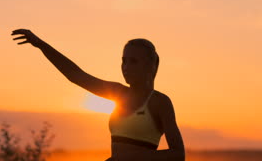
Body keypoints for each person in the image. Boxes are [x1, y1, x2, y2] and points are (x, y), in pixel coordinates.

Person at [11, 29, 185, 161]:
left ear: (150, 66)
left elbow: (178, 154)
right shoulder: (118, 93)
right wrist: (40, 44)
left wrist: (127, 158)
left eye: (133, 61)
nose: (125, 66)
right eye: (123, 60)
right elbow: (75, 75)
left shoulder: (159, 102)